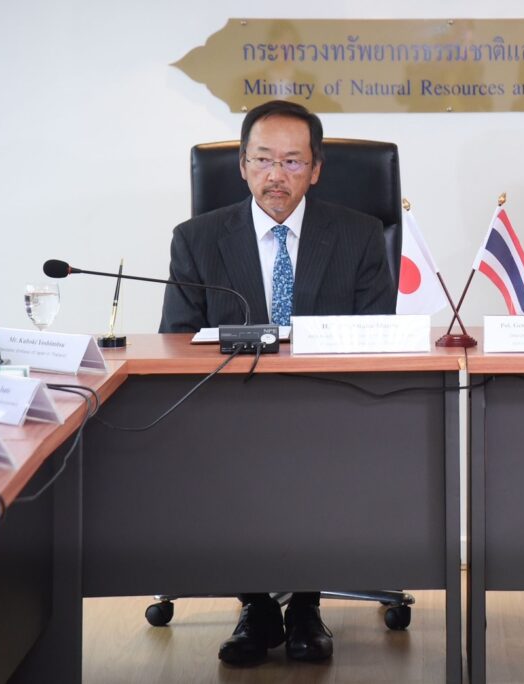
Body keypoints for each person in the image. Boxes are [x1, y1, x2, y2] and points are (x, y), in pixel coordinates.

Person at [160, 100, 396, 665]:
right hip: (230, 412)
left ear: (316, 170)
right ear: (241, 166)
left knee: (312, 451)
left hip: (330, 410)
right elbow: (176, 342)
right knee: (233, 454)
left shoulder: (360, 235)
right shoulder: (196, 239)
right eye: (263, 160)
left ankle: (306, 605)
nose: (276, 175)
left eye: (292, 162)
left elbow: (375, 340)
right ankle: (258, 605)